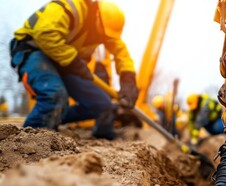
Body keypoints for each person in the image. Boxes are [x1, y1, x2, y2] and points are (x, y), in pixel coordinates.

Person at [9, 0, 138, 140]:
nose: (104, 39)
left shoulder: (105, 29)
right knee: (54, 95)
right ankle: (28, 144)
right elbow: (45, 33)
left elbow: (121, 53)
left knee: (101, 103)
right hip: (35, 50)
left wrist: (128, 80)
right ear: (96, 18)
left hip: (65, 61)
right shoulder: (70, 8)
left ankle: (54, 117)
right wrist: (75, 62)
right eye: (103, 34)